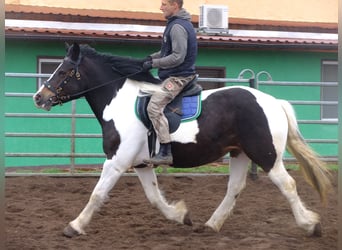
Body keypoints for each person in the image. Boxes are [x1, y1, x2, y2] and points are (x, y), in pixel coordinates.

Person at [142, 0, 197, 165]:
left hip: (178, 78)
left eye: (164, 4)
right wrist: (151, 57)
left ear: (175, 5)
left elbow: (177, 57)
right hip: (173, 74)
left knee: (153, 107)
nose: (160, 7)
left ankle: (165, 150)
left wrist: (154, 64)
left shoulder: (178, 27)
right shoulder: (175, 24)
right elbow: (166, 51)